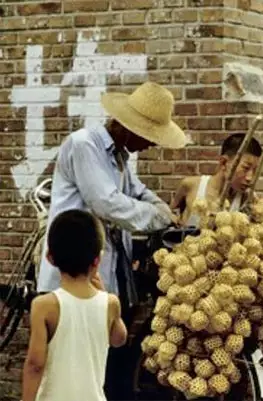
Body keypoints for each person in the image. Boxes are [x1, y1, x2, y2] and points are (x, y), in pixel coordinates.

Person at [36, 81, 188, 400]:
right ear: (127, 127)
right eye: (148, 137)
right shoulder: (84, 145)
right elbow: (107, 202)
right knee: (68, 369)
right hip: (71, 274)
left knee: (99, 369)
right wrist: (160, 217)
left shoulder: (119, 158)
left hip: (102, 278)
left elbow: (136, 192)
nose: (149, 145)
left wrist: (160, 206)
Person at [22, 209, 128, 401]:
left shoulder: (44, 306)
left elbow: (35, 364)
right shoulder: (110, 303)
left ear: (50, 258)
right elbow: (119, 339)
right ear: (97, 260)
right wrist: (103, 292)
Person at [171, 133, 263, 223]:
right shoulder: (191, 185)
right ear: (223, 163)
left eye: (255, 170)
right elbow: (170, 215)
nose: (250, 178)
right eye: (245, 168)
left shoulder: (247, 198)